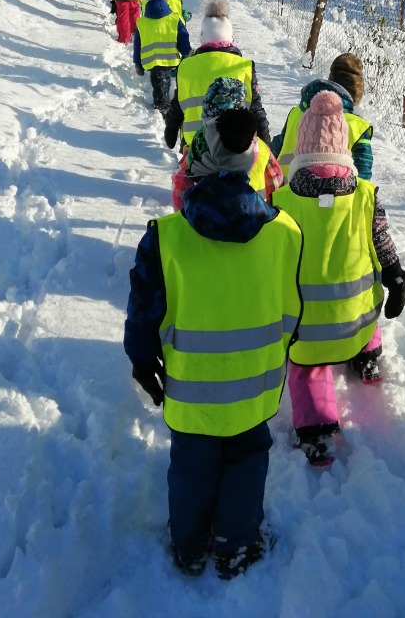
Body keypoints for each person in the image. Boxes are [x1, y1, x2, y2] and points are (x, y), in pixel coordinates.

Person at [124, 107, 304, 579]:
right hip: (255, 390)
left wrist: (143, 362)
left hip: (191, 392)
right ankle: (235, 545)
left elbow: (144, 316)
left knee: (191, 465)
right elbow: (293, 311)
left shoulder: (165, 239)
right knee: (247, 459)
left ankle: (188, 546)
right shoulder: (285, 233)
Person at [271, 90, 405, 468]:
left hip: (306, 332)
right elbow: (383, 246)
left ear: (301, 150)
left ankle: (317, 433)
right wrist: (396, 277)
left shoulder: (282, 203)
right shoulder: (366, 196)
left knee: (308, 367)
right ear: (344, 148)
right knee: (364, 282)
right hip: (358, 323)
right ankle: (368, 359)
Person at [163, 0, 271, 152]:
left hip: (194, 148)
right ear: (231, 37)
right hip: (235, 148)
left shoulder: (186, 67)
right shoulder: (244, 67)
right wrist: (266, 142)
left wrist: (171, 131)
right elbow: (256, 109)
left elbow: (177, 106)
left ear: (203, 36)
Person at [171, 77, 284, 210]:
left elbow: (180, 192)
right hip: (253, 218)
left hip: (205, 220)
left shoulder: (196, 149)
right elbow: (276, 184)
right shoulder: (261, 149)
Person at [273, 53, 373, 183]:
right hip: (331, 194)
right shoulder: (358, 126)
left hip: (284, 189)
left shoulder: (296, 112)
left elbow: (276, 147)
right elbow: (363, 176)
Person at [134, 0, 192, 117]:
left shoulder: (142, 23)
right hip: (171, 58)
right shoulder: (174, 19)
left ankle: (162, 105)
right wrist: (186, 53)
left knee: (159, 82)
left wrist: (138, 64)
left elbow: (137, 45)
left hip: (152, 60)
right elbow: (183, 36)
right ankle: (168, 104)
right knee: (166, 79)